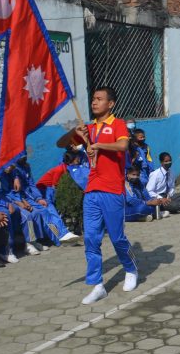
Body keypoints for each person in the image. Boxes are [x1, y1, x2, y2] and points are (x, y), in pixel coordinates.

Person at [57, 86, 138, 305]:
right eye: (93, 99)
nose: (94, 102)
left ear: (110, 104)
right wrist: (76, 131)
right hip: (92, 190)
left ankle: (131, 269)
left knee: (117, 237)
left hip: (112, 190)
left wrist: (98, 145)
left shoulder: (117, 124)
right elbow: (62, 144)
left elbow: (122, 146)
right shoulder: (89, 127)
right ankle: (97, 285)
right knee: (91, 238)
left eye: (99, 99)